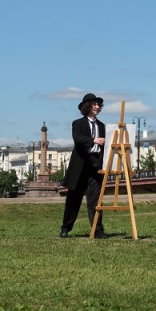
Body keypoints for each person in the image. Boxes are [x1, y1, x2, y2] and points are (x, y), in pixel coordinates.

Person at [60, 93, 106, 239]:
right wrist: (94, 140)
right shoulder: (78, 123)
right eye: (94, 104)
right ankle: (65, 228)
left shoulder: (102, 126)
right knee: (74, 199)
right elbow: (78, 139)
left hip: (95, 165)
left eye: (99, 105)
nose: (97, 107)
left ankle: (97, 230)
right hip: (80, 166)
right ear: (87, 107)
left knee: (95, 200)